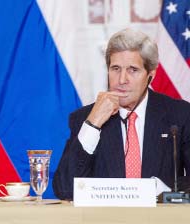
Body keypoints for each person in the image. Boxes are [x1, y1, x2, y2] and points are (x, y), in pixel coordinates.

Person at [53, 28, 190, 200]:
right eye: (115, 68)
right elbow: (65, 189)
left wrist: (164, 192)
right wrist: (93, 124)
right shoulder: (84, 118)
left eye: (133, 70)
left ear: (150, 75)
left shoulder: (180, 115)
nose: (122, 80)